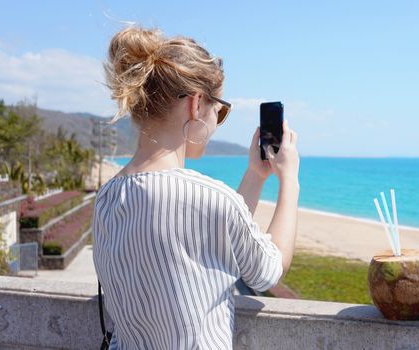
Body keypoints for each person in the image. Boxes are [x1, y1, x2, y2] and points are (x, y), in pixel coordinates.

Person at [92, 25, 299, 349]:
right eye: (221, 111)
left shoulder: (107, 198)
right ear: (196, 103)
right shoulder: (211, 198)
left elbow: (208, 233)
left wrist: (255, 176)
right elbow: (269, 271)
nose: (217, 122)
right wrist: (290, 182)